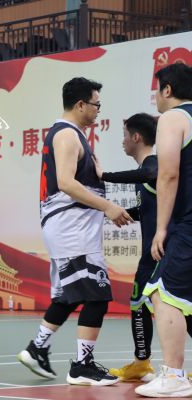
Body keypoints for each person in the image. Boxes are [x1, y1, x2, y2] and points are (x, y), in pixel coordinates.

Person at [18, 77, 132, 386]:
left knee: (71, 295)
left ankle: (37, 348)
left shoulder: (71, 135)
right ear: (80, 104)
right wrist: (107, 207)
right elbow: (66, 183)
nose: (98, 110)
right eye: (96, 104)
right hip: (72, 229)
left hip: (70, 228)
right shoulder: (67, 135)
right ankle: (82, 366)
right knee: (97, 295)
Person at [136, 63, 192, 398]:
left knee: (162, 292)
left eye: (157, 90)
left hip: (188, 224)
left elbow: (168, 174)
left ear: (167, 90)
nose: (155, 97)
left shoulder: (173, 118)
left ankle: (173, 376)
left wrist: (160, 229)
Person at [94, 113, 158, 382]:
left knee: (179, 309)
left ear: (136, 137)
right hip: (150, 255)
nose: (122, 141)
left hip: (164, 252)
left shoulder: (153, 165)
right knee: (138, 303)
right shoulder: (146, 175)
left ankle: (144, 364)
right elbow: (149, 210)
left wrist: (104, 176)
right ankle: (141, 364)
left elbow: (150, 173)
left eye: (124, 136)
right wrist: (117, 213)